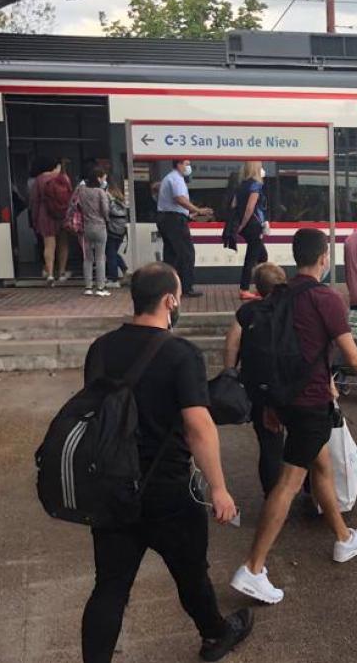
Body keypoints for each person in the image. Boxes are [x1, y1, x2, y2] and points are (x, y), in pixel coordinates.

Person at [80, 262, 252, 662]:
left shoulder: (100, 349)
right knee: (190, 571)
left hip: (112, 487)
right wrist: (219, 487)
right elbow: (198, 426)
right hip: (167, 488)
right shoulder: (180, 354)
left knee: (109, 587)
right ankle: (215, 636)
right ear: (170, 300)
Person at [230, 229, 357, 605]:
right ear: (323, 257)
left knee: (322, 468)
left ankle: (343, 538)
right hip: (310, 403)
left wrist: (269, 404)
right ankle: (252, 568)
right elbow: (351, 354)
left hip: (284, 399)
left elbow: (267, 349)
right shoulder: (324, 298)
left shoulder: (280, 296)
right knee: (289, 482)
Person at [223, 261, 289, 497]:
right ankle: (309, 489)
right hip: (292, 385)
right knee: (303, 441)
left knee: (269, 444)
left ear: (258, 288)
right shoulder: (294, 308)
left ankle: (273, 495)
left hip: (259, 389)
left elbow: (231, 344)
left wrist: (230, 374)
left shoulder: (248, 311)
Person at [157, 159, 213, 299]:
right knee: (186, 253)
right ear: (179, 165)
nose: (189, 167)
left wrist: (190, 215)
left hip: (167, 218)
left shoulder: (169, 178)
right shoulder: (176, 178)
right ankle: (186, 287)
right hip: (173, 220)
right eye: (186, 164)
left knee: (172, 255)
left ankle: (169, 286)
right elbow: (180, 199)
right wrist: (198, 210)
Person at [29, 158, 73, 283]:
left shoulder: (39, 180)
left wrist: (35, 218)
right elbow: (70, 198)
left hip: (45, 214)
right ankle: (62, 272)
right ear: (56, 166)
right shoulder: (64, 178)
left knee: (49, 245)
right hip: (63, 214)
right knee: (63, 243)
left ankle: (49, 274)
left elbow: (34, 200)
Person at [234, 161, 269, 301]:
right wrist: (242, 224)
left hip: (247, 227)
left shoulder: (241, 185)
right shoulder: (256, 185)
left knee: (262, 256)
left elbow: (234, 205)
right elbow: (250, 208)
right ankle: (244, 289)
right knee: (252, 257)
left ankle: (262, 286)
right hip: (253, 225)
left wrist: (237, 225)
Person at [77, 166, 111, 297]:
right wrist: (106, 219)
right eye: (103, 178)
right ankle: (100, 287)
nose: (104, 180)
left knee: (87, 258)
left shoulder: (82, 191)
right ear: (98, 178)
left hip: (86, 227)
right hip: (100, 227)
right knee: (100, 257)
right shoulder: (100, 192)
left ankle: (88, 287)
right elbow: (105, 210)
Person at [105, 179, 130, 287]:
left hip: (112, 230)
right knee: (113, 253)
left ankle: (113, 279)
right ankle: (124, 270)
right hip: (121, 231)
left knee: (110, 254)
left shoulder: (109, 199)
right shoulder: (121, 201)